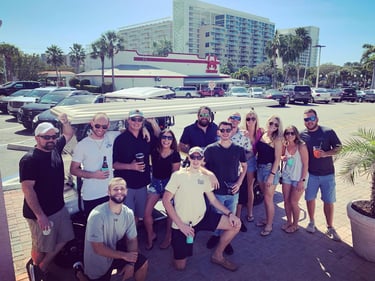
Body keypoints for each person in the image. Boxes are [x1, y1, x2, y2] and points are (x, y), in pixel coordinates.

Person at [162, 147, 241, 272]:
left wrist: (230, 213)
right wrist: (181, 225)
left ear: (203, 160)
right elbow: (165, 200)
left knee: (236, 225)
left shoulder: (204, 178)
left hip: (201, 218)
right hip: (181, 225)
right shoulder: (178, 175)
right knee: (180, 266)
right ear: (189, 157)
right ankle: (179, 248)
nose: (196, 160)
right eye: (193, 157)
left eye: (199, 157)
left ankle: (217, 256)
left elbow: (213, 200)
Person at [20, 115, 75, 281]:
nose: (51, 140)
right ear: (37, 138)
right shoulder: (30, 160)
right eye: (46, 137)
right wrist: (40, 216)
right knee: (40, 247)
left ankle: (42, 266)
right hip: (40, 214)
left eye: (53, 136)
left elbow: (68, 134)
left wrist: (65, 122)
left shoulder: (55, 148)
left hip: (58, 208)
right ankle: (35, 270)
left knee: (66, 237)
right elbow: (28, 190)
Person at [82, 177, 148, 281]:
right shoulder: (97, 215)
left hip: (115, 254)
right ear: (108, 192)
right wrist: (125, 256)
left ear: (126, 191)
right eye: (115, 189)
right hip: (98, 262)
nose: (119, 191)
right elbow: (98, 248)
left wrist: (131, 263)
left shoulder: (129, 213)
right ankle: (79, 272)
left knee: (142, 263)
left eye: (122, 188)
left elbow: (132, 240)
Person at [204, 121, 247, 255]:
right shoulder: (210, 149)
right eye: (222, 130)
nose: (225, 133)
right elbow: (200, 165)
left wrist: (239, 183)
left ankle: (225, 241)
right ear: (218, 132)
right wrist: (210, 174)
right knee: (217, 217)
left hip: (233, 191)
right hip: (217, 191)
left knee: (230, 217)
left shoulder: (238, 149)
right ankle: (216, 236)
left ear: (232, 131)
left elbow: (244, 167)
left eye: (228, 130)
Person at [300, 109, 342, 241]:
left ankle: (330, 227)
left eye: (311, 118)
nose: (309, 122)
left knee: (329, 201)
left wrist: (325, 154)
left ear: (316, 119)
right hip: (311, 174)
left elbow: (339, 147)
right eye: (306, 119)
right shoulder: (302, 135)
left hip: (327, 174)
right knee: (310, 198)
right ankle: (312, 222)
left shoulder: (327, 132)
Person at [70, 112, 119, 218]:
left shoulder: (111, 137)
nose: (100, 129)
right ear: (92, 123)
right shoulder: (82, 145)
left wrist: (144, 129)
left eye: (104, 126)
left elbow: (130, 130)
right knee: (94, 228)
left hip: (110, 193)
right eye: (97, 125)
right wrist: (94, 175)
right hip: (91, 195)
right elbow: (73, 170)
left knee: (110, 226)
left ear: (108, 126)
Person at [143, 125, 181, 250]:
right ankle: (150, 235)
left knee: (170, 211)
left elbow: (175, 176)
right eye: (164, 137)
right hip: (155, 184)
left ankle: (168, 237)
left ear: (172, 140)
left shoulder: (175, 154)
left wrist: (169, 191)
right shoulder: (154, 151)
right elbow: (151, 134)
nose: (166, 140)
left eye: (169, 137)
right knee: (146, 213)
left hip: (168, 184)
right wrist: (145, 126)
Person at [113, 109, 154, 223]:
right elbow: (114, 164)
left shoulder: (146, 137)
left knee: (139, 216)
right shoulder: (120, 139)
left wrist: (147, 127)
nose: (136, 122)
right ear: (128, 120)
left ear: (143, 121)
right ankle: (129, 240)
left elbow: (162, 139)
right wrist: (131, 166)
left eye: (139, 119)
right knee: (128, 218)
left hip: (142, 185)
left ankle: (134, 237)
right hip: (126, 186)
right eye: (133, 119)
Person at [255, 115, 283, 236]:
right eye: (271, 123)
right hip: (260, 169)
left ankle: (269, 225)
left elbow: (277, 159)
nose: (273, 126)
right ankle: (267, 219)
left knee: (268, 199)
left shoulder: (277, 139)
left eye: (276, 125)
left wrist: (272, 175)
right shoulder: (263, 134)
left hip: (269, 170)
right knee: (265, 197)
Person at [280, 125, 309, 233]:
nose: (290, 135)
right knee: (286, 201)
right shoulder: (285, 145)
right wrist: (283, 158)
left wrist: (302, 180)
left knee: (293, 202)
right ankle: (289, 221)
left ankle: (296, 224)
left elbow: (306, 165)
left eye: (292, 133)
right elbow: (281, 156)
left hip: (298, 177)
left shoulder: (301, 146)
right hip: (287, 175)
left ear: (296, 134)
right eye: (287, 133)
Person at [242, 109, 263, 223]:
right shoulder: (242, 132)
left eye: (253, 118)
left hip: (254, 160)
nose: (250, 121)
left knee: (250, 187)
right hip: (243, 161)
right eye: (248, 119)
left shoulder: (260, 132)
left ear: (256, 120)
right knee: (243, 186)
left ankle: (250, 212)